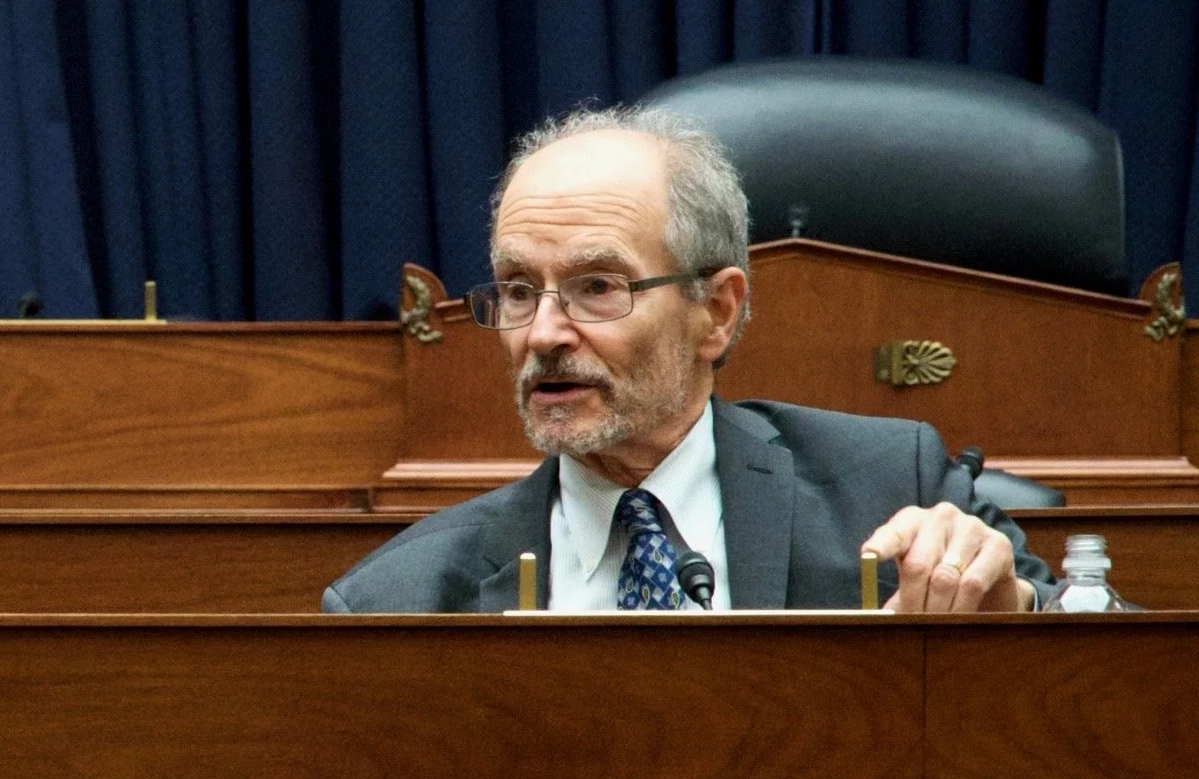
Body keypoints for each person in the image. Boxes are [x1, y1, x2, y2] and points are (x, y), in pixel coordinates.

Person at [324, 106, 1054, 615]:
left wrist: (1013, 612)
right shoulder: (400, 600)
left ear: (716, 312)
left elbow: (1101, 636)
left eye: (596, 287)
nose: (542, 333)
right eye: (518, 291)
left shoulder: (890, 485)